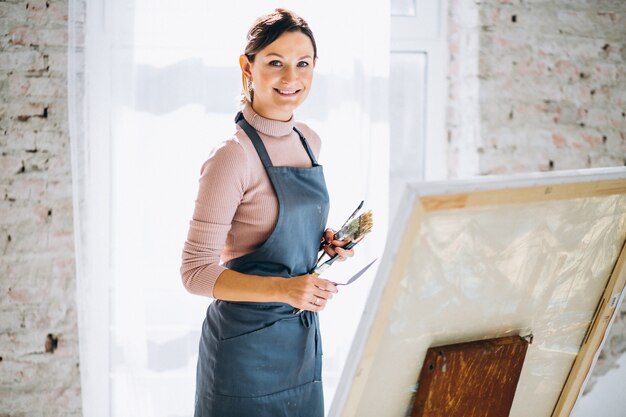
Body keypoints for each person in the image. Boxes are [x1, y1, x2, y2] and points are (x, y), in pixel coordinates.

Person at [180, 8, 354, 417]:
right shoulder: (232, 156)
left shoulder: (309, 140)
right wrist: (284, 289)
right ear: (248, 66)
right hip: (243, 352)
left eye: (302, 64)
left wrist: (324, 241)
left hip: (300, 341)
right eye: (275, 62)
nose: (291, 78)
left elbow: (273, 226)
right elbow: (195, 272)